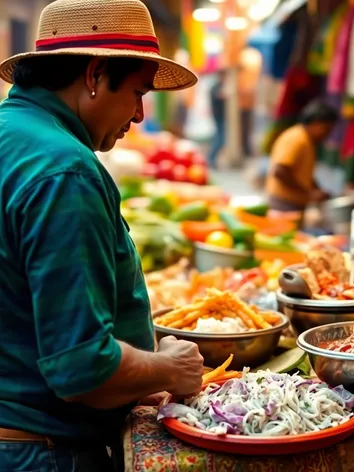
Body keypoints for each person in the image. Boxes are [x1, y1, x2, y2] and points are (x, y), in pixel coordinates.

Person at [0, 1, 204, 471]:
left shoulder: (13, 134)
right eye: (136, 93)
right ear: (94, 75)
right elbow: (80, 368)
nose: (138, 114)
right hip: (40, 450)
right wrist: (168, 367)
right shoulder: (64, 171)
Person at [265, 101, 337, 218]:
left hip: (293, 203)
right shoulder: (297, 139)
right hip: (284, 204)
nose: (327, 133)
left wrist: (316, 189)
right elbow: (280, 171)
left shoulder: (307, 141)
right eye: (326, 128)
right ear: (315, 123)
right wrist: (308, 193)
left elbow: (302, 173)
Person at [208, 69, 227, 168]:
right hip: (219, 116)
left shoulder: (218, 87)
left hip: (220, 116)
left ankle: (212, 159)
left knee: (220, 138)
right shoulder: (216, 87)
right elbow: (220, 96)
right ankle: (211, 159)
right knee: (220, 138)